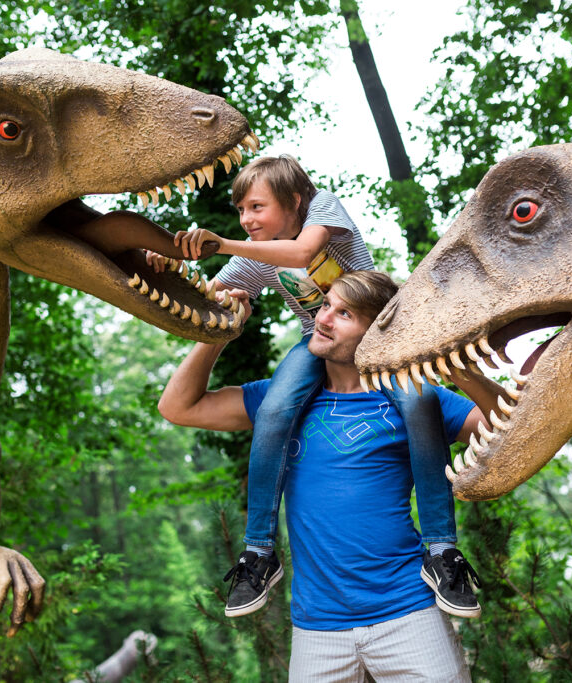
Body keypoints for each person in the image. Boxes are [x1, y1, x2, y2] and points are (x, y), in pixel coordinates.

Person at [149, 155, 480, 618]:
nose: (246, 220)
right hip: (319, 344)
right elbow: (205, 301)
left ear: (295, 200)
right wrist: (161, 266)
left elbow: (304, 253)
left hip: (386, 336)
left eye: (256, 207)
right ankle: (260, 549)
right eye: (240, 209)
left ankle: (441, 547)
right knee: (277, 407)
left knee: (419, 401)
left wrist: (223, 243)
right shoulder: (255, 253)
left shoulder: (323, 208)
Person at [158, 271, 507, 681]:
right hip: (317, 628)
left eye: (345, 314)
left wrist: (462, 371)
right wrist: (219, 332)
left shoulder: (415, 399)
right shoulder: (280, 401)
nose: (323, 319)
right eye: (326, 306)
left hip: (408, 612)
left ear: (376, 331)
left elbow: (506, 422)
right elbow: (178, 407)